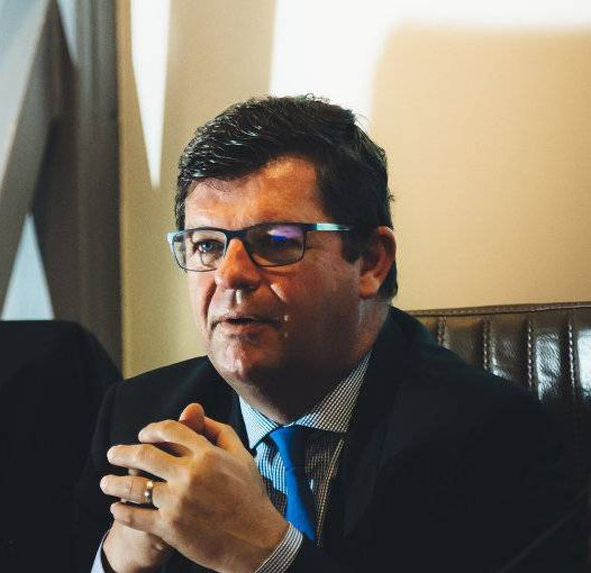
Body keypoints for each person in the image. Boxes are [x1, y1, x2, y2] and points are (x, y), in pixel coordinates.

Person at [75, 95, 576, 572]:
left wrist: (265, 555)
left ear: (371, 262)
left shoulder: (490, 437)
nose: (229, 275)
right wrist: (118, 562)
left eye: (276, 241)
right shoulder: (138, 417)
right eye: (206, 245)